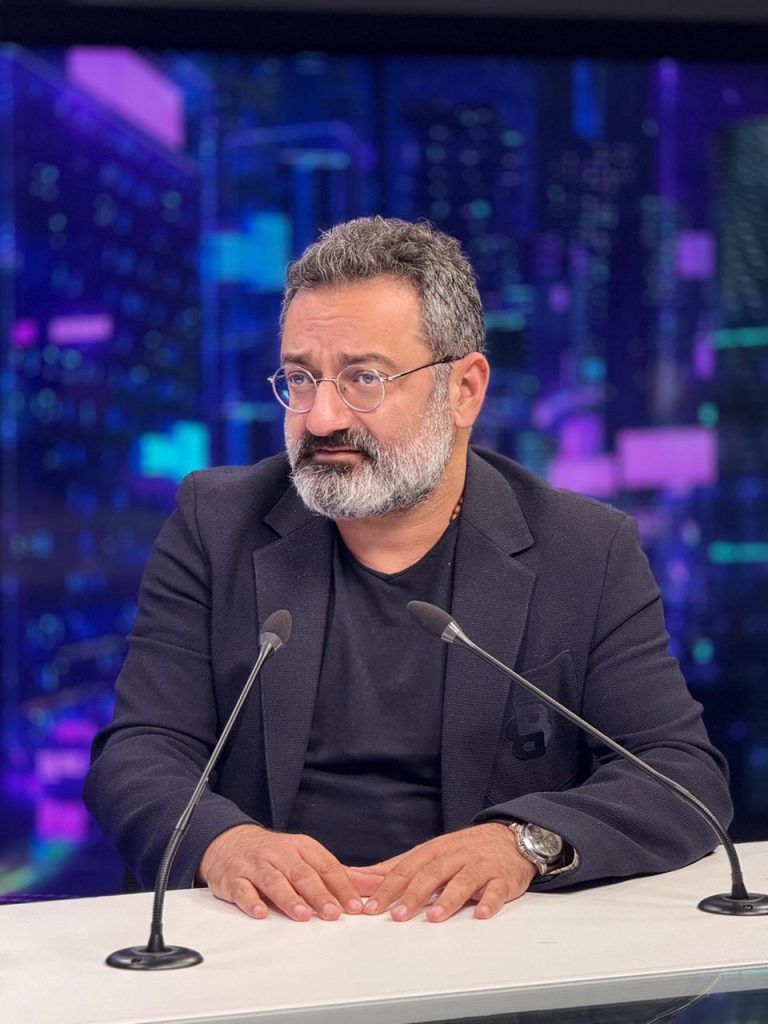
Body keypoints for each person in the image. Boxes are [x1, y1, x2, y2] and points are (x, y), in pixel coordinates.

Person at [85, 216, 732, 925]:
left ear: (465, 389)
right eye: (300, 379)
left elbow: (679, 774)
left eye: (363, 378)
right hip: (266, 932)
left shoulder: (586, 548)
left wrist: (521, 842)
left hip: (482, 938)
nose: (321, 417)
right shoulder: (216, 523)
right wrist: (225, 844)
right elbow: (140, 751)